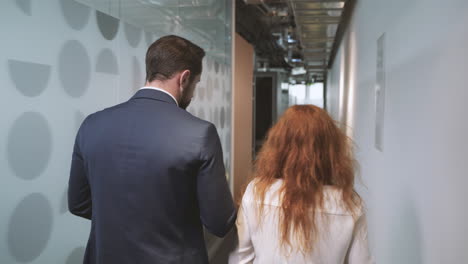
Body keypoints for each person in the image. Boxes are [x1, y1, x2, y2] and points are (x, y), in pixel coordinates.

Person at [68, 35, 236, 264]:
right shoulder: (199, 133)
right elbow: (219, 222)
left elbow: (78, 203)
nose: (194, 94)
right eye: (196, 84)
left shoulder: (92, 124)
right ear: (184, 78)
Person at [229, 105, 374, 264]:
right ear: (330, 151)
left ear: (279, 145)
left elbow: (243, 259)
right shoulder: (349, 203)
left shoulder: (256, 192)